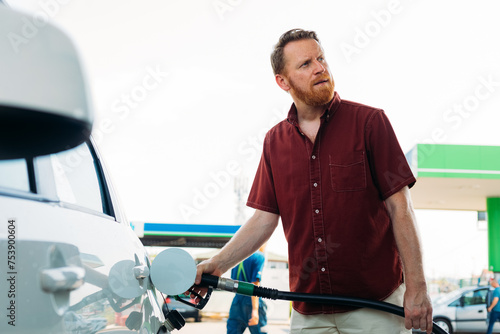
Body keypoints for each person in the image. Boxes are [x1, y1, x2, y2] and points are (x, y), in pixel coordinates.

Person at [193, 28, 433, 334]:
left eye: (321, 58)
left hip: (375, 307)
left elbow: (401, 209)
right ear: (283, 81)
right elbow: (264, 219)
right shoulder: (274, 142)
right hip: (309, 313)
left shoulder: (370, 123)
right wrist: (218, 263)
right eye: (305, 64)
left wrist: (417, 287)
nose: (320, 67)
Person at [227, 245, 268, 334]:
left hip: (237, 302)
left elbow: (233, 281)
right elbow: (255, 284)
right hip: (252, 302)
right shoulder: (259, 256)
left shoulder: (236, 258)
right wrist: (255, 311)